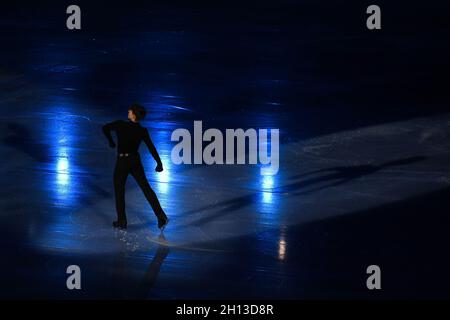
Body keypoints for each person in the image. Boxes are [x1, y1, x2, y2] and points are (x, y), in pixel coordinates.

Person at [102, 104, 169, 231]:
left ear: (133, 114)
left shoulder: (120, 124)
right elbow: (151, 147)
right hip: (134, 161)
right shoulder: (142, 130)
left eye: (130, 110)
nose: (128, 111)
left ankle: (122, 221)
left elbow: (104, 128)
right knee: (146, 188)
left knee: (119, 191)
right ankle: (161, 216)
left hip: (122, 161)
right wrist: (159, 163)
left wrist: (111, 142)